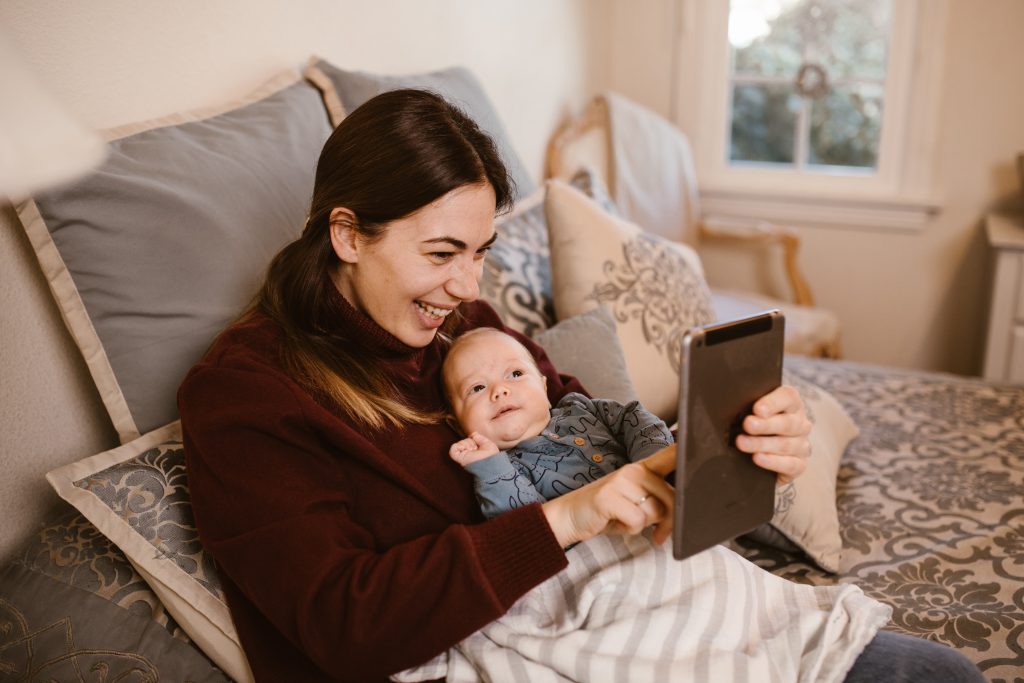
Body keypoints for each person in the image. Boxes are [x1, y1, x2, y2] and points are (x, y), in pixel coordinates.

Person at [178, 88, 985, 682]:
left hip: (647, 603)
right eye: (441, 252)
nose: (466, 285)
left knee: (945, 675)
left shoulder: (463, 327)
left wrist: (745, 448)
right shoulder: (248, 397)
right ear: (348, 234)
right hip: (524, 644)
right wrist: (566, 515)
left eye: (483, 251)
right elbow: (345, 625)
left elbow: (585, 424)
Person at [442, 327, 673, 520]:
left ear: (544, 387)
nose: (500, 390)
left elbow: (636, 420)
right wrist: (489, 465)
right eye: (477, 388)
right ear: (458, 425)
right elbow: (527, 526)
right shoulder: (503, 472)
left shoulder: (581, 407)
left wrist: (651, 466)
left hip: (657, 505)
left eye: (515, 373)